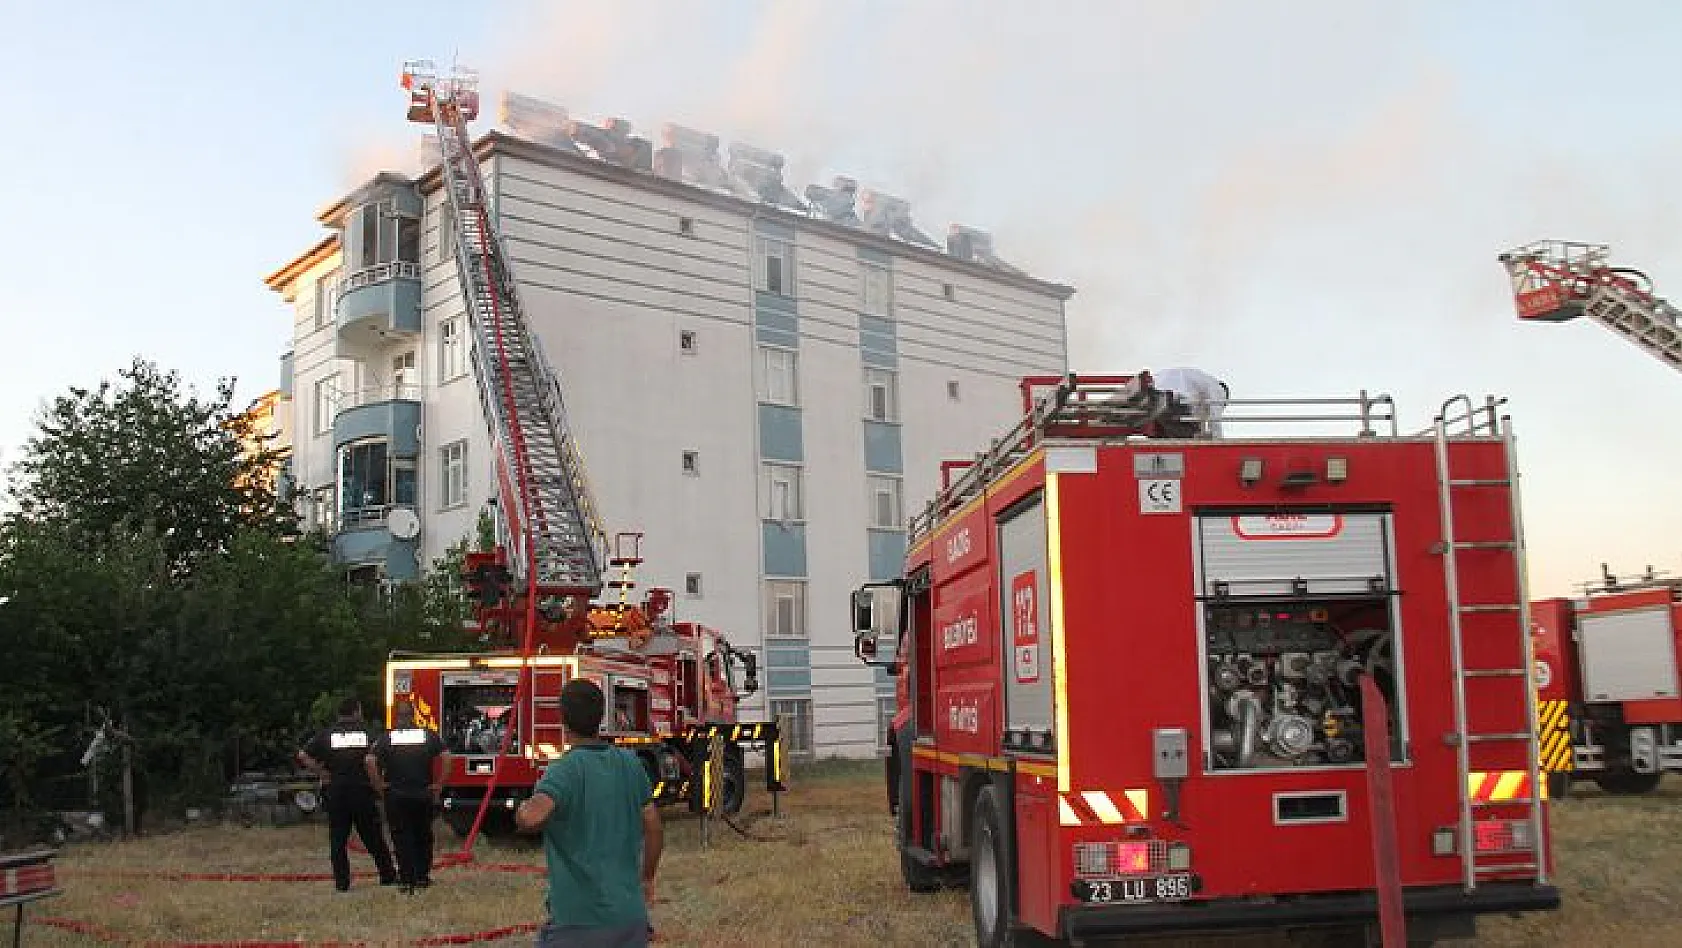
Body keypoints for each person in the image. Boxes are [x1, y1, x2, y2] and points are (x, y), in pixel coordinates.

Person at [515, 679, 663, 947]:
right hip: (630, 920)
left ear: (563, 719)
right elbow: (653, 827)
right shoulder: (630, 763)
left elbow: (532, 817)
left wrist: (521, 810)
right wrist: (648, 877)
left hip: (578, 922)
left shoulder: (563, 770)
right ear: (601, 717)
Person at [299, 697, 398, 892]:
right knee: (373, 837)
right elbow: (382, 755)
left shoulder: (327, 735)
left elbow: (302, 755)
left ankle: (342, 883)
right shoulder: (367, 734)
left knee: (338, 840)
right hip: (362, 792)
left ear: (339, 714)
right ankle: (387, 875)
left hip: (336, 792)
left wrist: (323, 773)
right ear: (356, 712)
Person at [365, 701, 448, 893]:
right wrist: (439, 785)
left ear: (397, 717)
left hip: (396, 795)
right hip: (423, 794)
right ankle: (422, 877)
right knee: (423, 836)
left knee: (401, 837)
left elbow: (370, 761)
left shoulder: (387, 738)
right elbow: (447, 757)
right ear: (414, 716)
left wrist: (379, 786)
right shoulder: (427, 735)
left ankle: (406, 878)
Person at [1148, 366, 1230, 438]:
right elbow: (1214, 416)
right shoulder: (1218, 388)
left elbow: (1199, 417)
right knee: (1191, 438)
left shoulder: (1199, 384)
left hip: (1152, 395)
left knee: (1163, 439)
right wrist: (1218, 441)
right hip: (1172, 400)